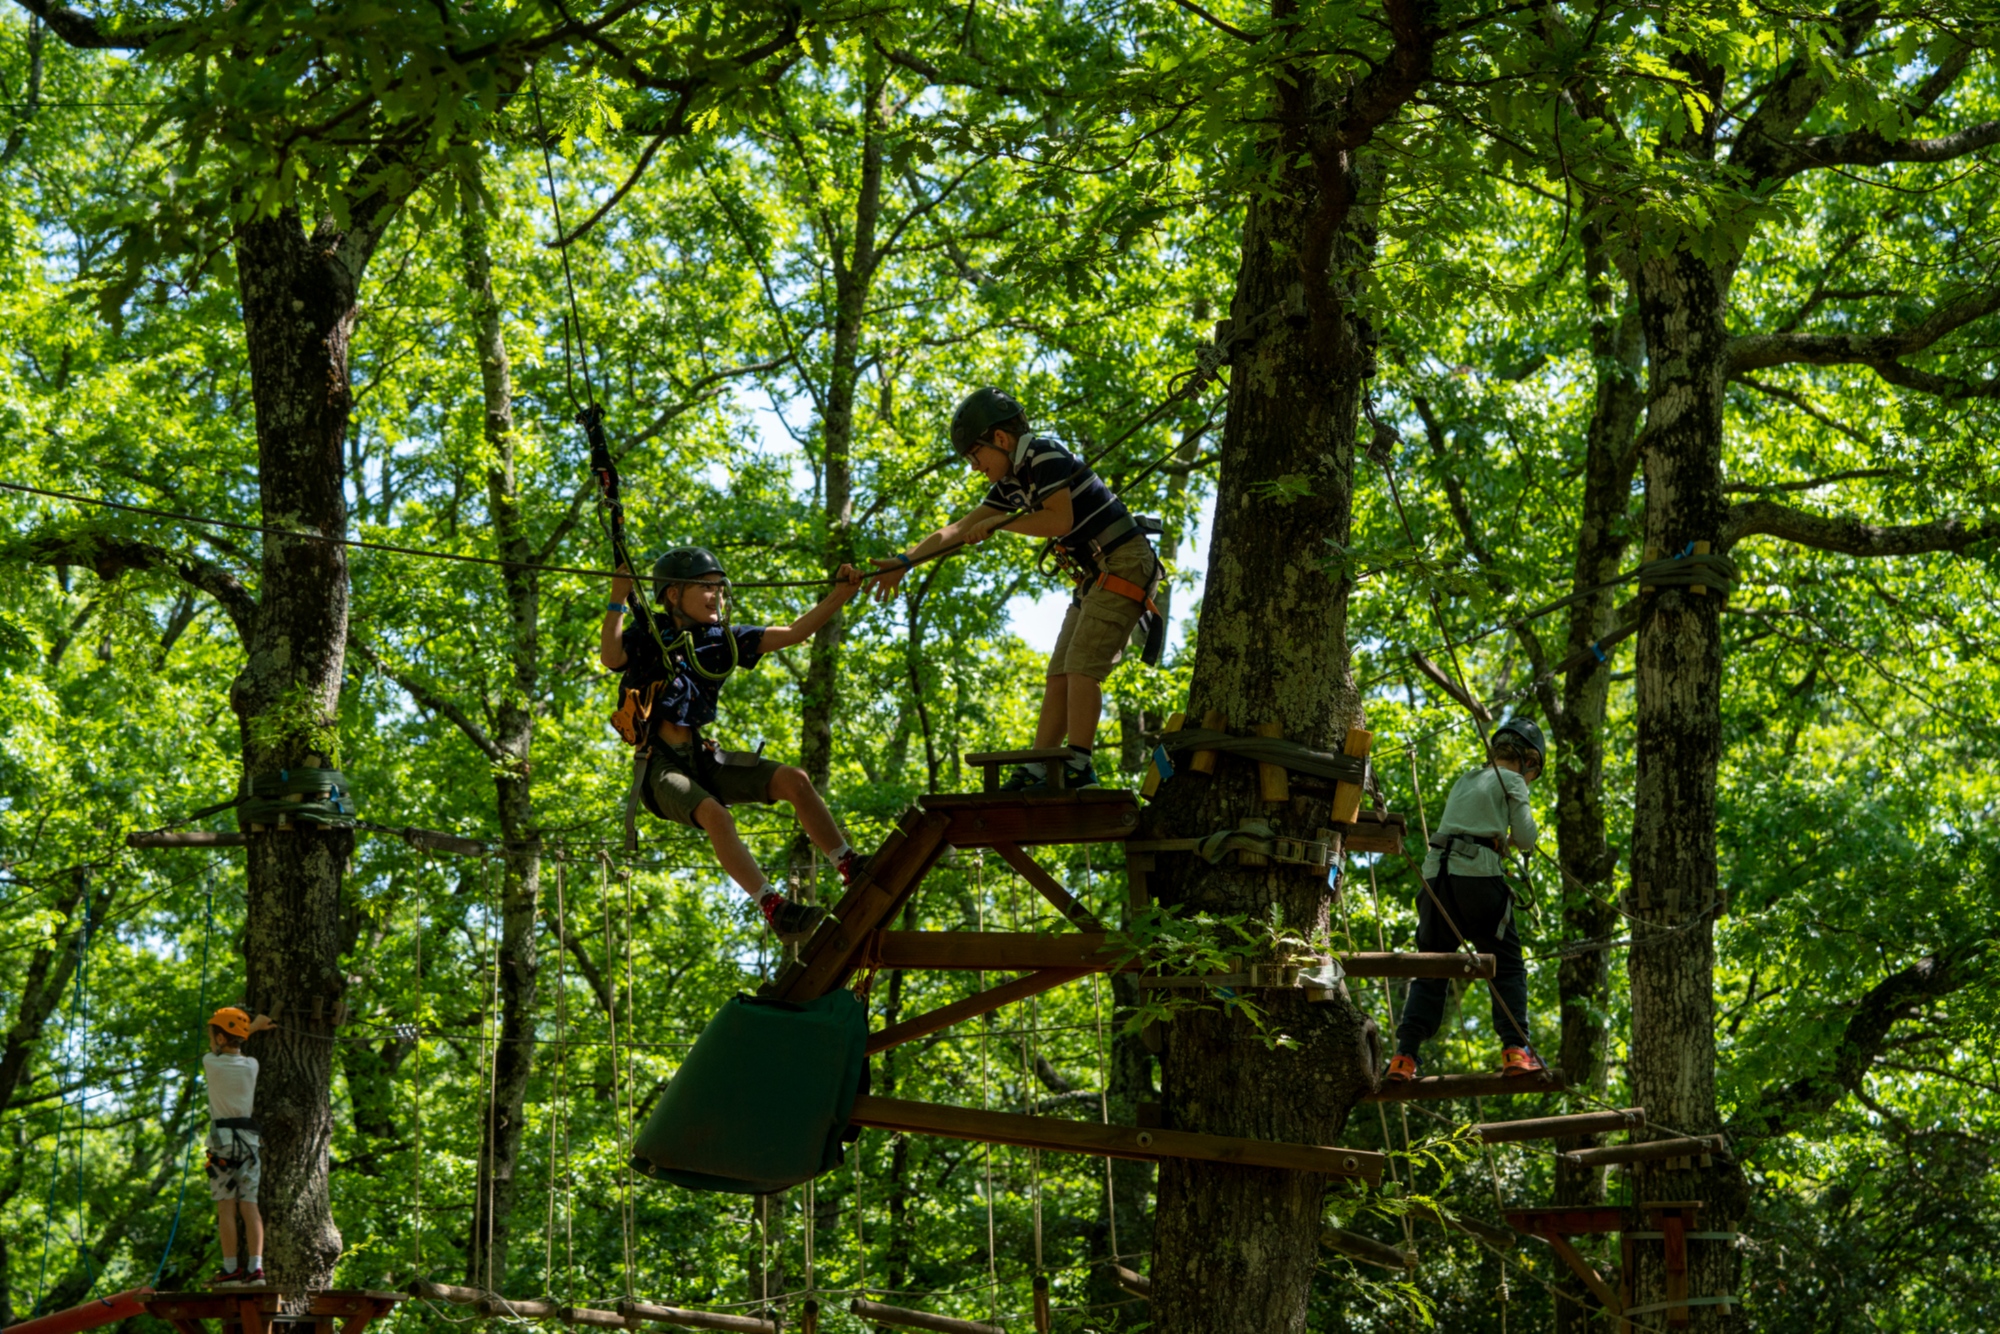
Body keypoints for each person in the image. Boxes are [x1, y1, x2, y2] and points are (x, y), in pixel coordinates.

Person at [868, 387, 1161, 792]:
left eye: (975, 456)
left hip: (1124, 561)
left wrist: (999, 525)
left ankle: (1078, 765)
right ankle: (1042, 764)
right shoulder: (1012, 482)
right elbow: (956, 529)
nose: (975, 468)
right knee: (1059, 671)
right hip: (1096, 573)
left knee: (1081, 665)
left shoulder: (1044, 455)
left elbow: (1058, 519)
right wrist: (906, 561)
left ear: (1000, 440)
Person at [602, 547, 867, 940]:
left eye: (719, 590)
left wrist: (840, 595)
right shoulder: (649, 634)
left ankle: (849, 864)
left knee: (794, 779)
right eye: (706, 589)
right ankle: (774, 907)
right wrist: (617, 598)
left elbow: (794, 633)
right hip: (660, 766)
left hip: (704, 757)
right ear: (673, 594)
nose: (717, 597)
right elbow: (611, 656)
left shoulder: (721, 640)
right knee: (717, 817)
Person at [1385, 718, 1549, 1081]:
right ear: (1530, 762)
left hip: (1435, 881)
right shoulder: (1513, 781)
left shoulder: (1467, 778)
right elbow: (1525, 838)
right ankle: (1515, 1050)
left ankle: (1404, 1057)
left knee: (1431, 968)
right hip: (1476, 881)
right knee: (1505, 965)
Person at [203, 1005, 274, 1286]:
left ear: (220, 1040)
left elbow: (227, 1044)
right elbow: (237, 1041)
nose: (210, 1042)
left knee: (226, 1208)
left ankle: (231, 1268)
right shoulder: (252, 1065)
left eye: (212, 1036)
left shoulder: (211, 1061)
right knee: (250, 1206)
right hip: (249, 1143)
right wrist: (254, 1025)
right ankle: (256, 1269)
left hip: (222, 1144)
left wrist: (251, 1026)